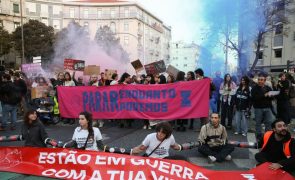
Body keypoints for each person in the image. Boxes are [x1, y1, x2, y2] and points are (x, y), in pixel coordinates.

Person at [251, 73, 275, 140]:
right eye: (259, 80)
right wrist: (264, 95)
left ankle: (267, 134)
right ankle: (259, 135)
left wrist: (271, 96)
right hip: (258, 108)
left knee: (269, 122)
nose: (260, 81)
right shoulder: (254, 88)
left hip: (267, 107)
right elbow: (254, 98)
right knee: (258, 122)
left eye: (261, 80)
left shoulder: (268, 88)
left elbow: (272, 98)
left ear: (264, 81)